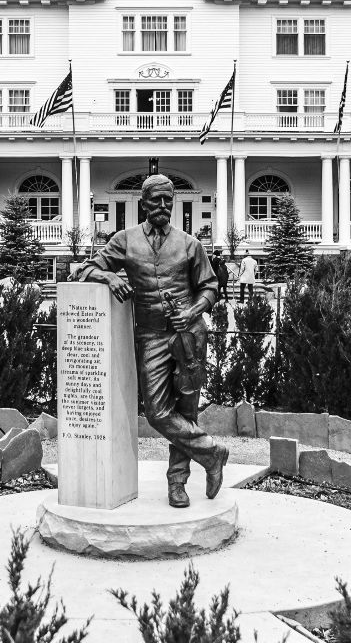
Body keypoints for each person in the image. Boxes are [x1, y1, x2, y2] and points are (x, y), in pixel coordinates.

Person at [75, 174, 229, 508]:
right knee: (159, 412)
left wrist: (192, 311)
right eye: (155, 200)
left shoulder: (190, 244)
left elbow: (211, 287)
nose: (162, 206)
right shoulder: (125, 240)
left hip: (189, 336)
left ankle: (177, 484)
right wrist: (109, 275)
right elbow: (84, 270)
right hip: (150, 336)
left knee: (187, 410)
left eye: (167, 201)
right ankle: (212, 452)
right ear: (143, 203)